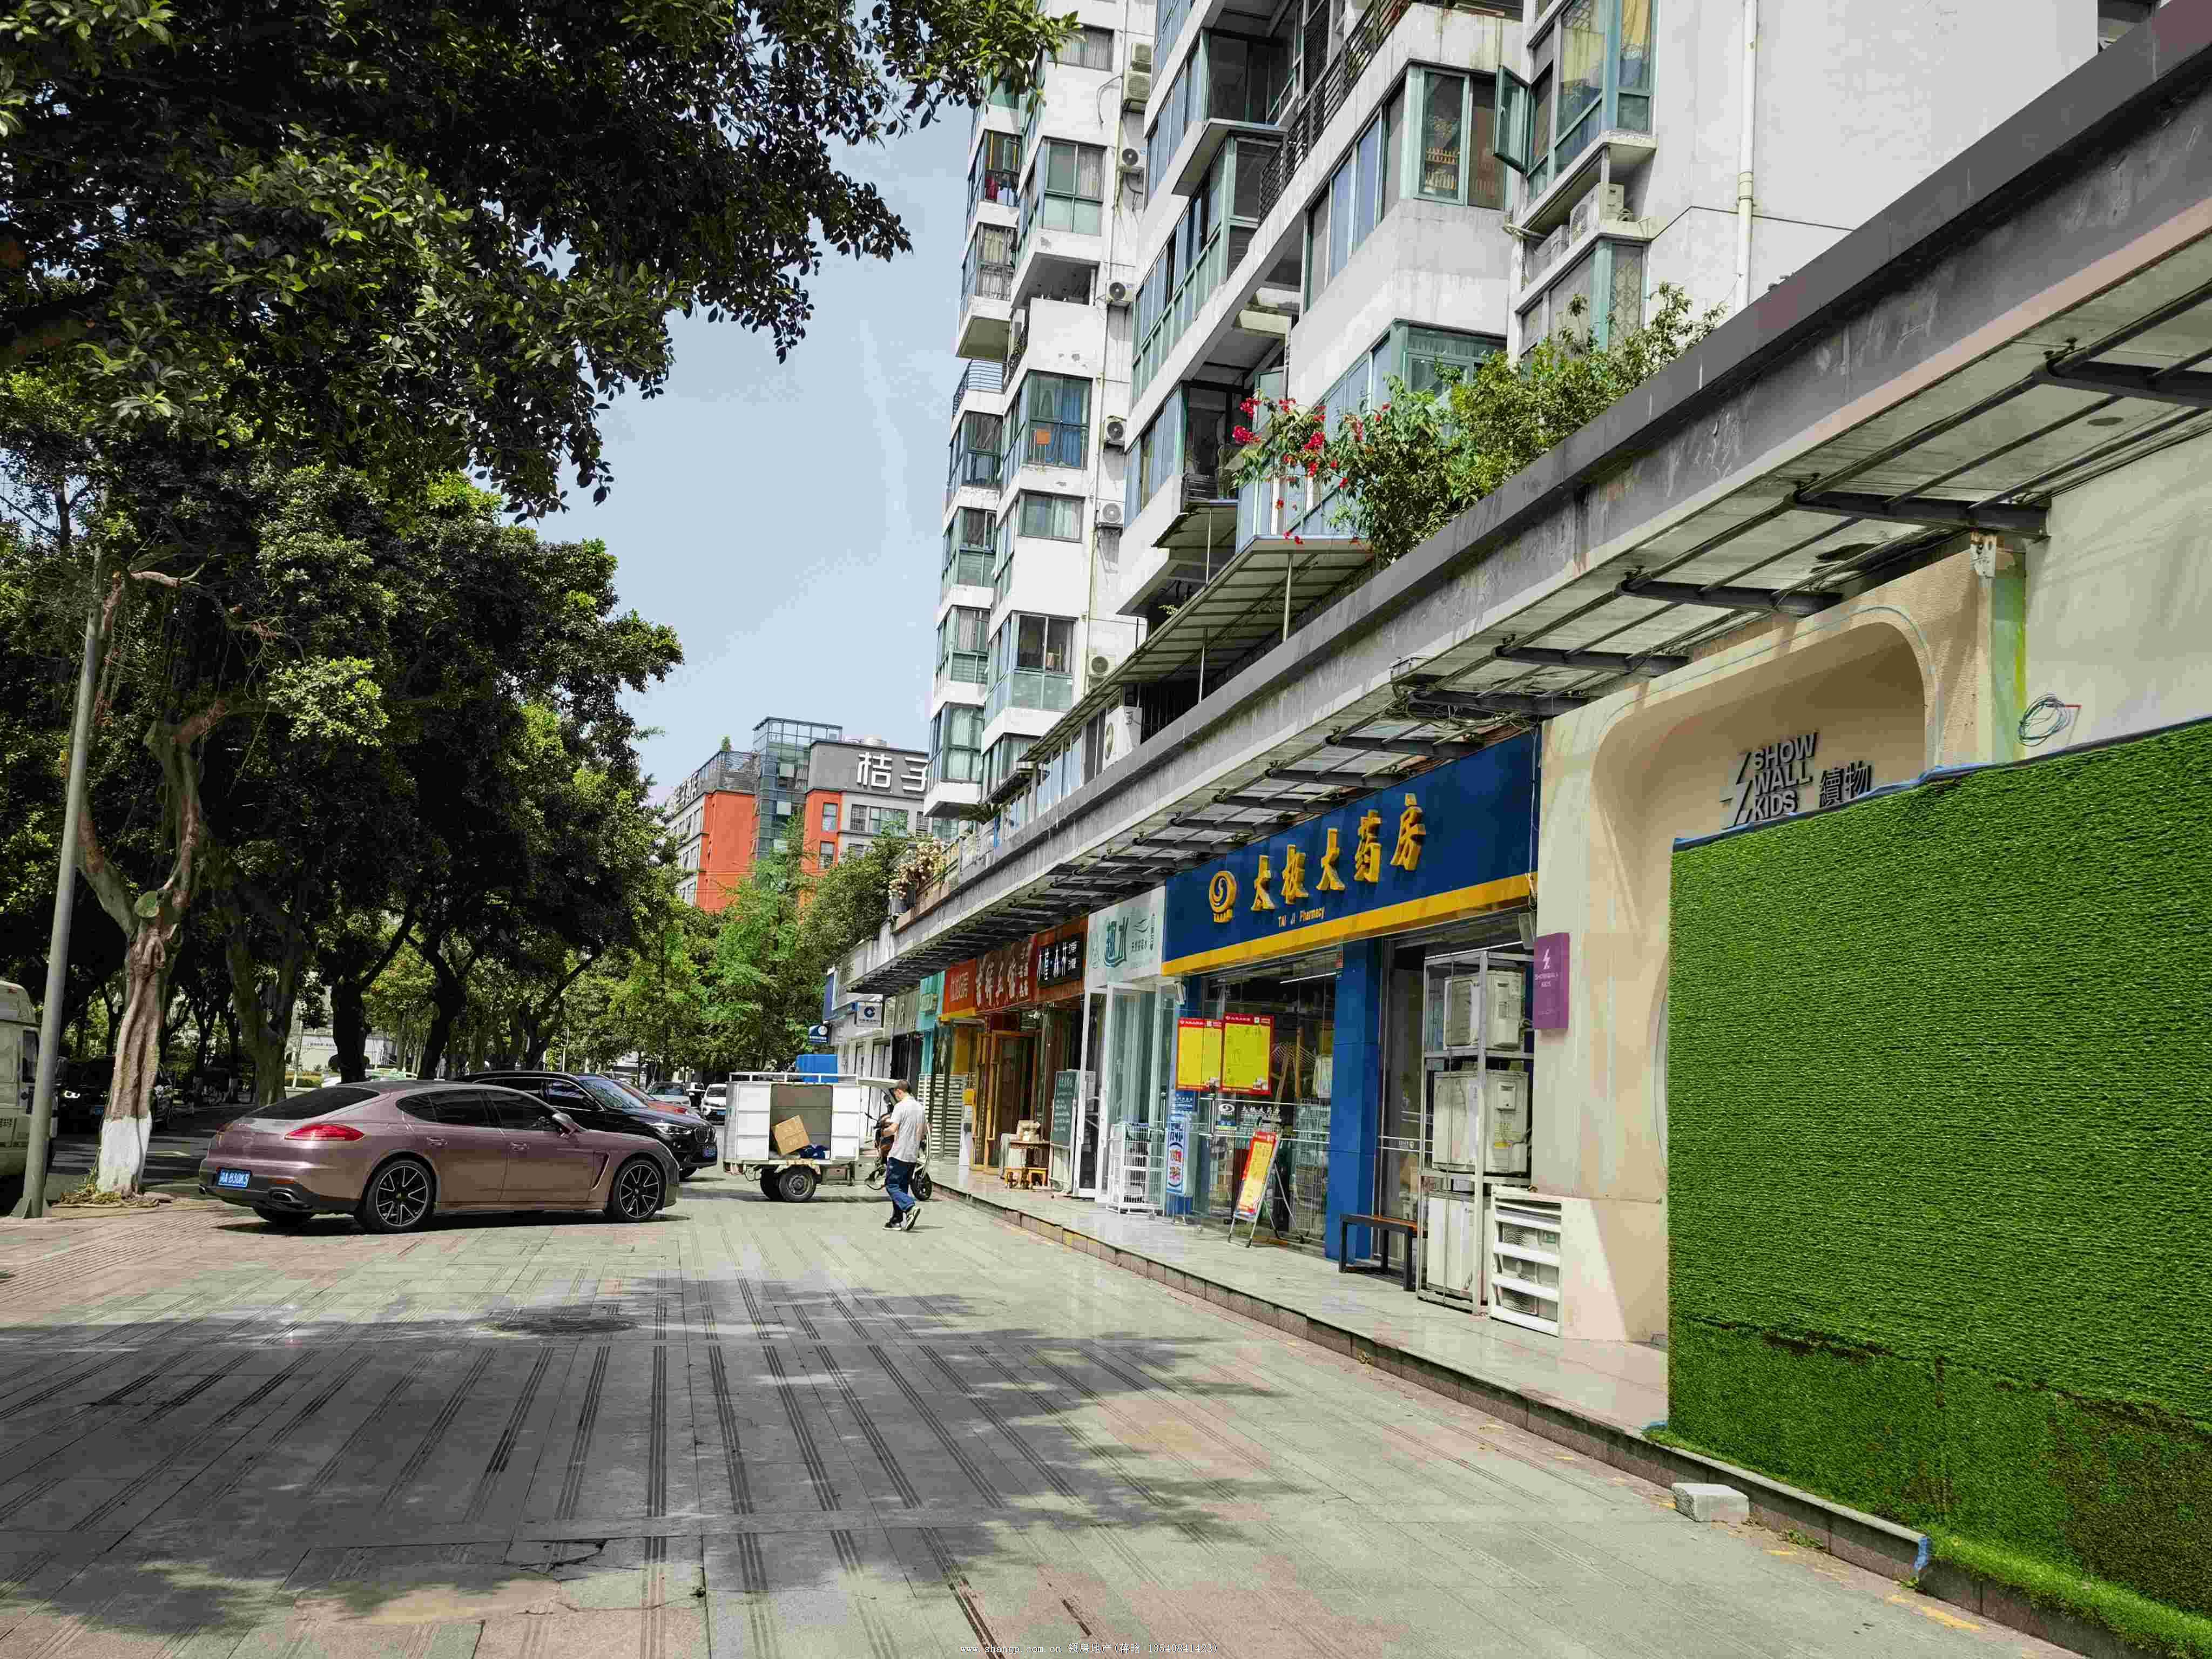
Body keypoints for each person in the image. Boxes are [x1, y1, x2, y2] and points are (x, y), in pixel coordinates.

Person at [880, 1083, 928, 1233]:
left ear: (899, 1091)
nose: (896, 1097)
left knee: (891, 1185)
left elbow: (893, 1129)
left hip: (899, 1154)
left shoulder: (900, 1107)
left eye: (896, 1094)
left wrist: (884, 1132)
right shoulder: (920, 1108)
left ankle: (910, 1208)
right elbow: (925, 1132)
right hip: (912, 1156)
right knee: (901, 1188)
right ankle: (896, 1221)